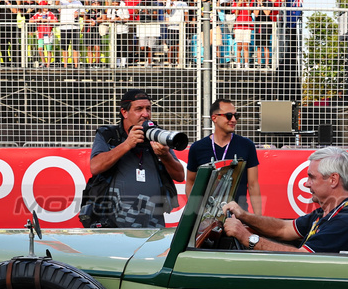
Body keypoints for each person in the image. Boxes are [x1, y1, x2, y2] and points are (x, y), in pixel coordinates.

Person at [220, 147, 348, 253]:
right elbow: (283, 229)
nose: (306, 183)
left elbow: (301, 258)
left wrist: (246, 237)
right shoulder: (329, 212)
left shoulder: (345, 221)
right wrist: (243, 215)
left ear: (333, 180)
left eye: (311, 177)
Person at [84, 89, 186, 229]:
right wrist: (127, 144)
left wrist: (165, 155)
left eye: (148, 109)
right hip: (112, 224)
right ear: (124, 112)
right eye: (139, 109)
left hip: (152, 224)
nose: (146, 114)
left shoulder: (156, 134)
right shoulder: (109, 134)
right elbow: (95, 166)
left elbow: (180, 176)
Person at [185, 98, 263, 213]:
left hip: (238, 216)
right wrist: (197, 212)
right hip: (207, 217)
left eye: (236, 116)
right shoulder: (197, 148)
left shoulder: (247, 145)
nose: (233, 120)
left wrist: (258, 219)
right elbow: (190, 183)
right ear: (214, 118)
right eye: (228, 115)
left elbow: (253, 185)